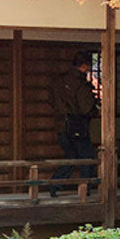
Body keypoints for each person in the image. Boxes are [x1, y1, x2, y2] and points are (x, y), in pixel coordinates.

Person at [49, 50, 99, 196]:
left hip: (61, 125)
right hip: (77, 125)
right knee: (87, 157)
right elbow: (85, 107)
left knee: (71, 157)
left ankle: (55, 184)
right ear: (84, 65)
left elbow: (51, 101)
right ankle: (85, 188)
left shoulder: (58, 81)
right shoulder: (80, 83)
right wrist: (95, 108)